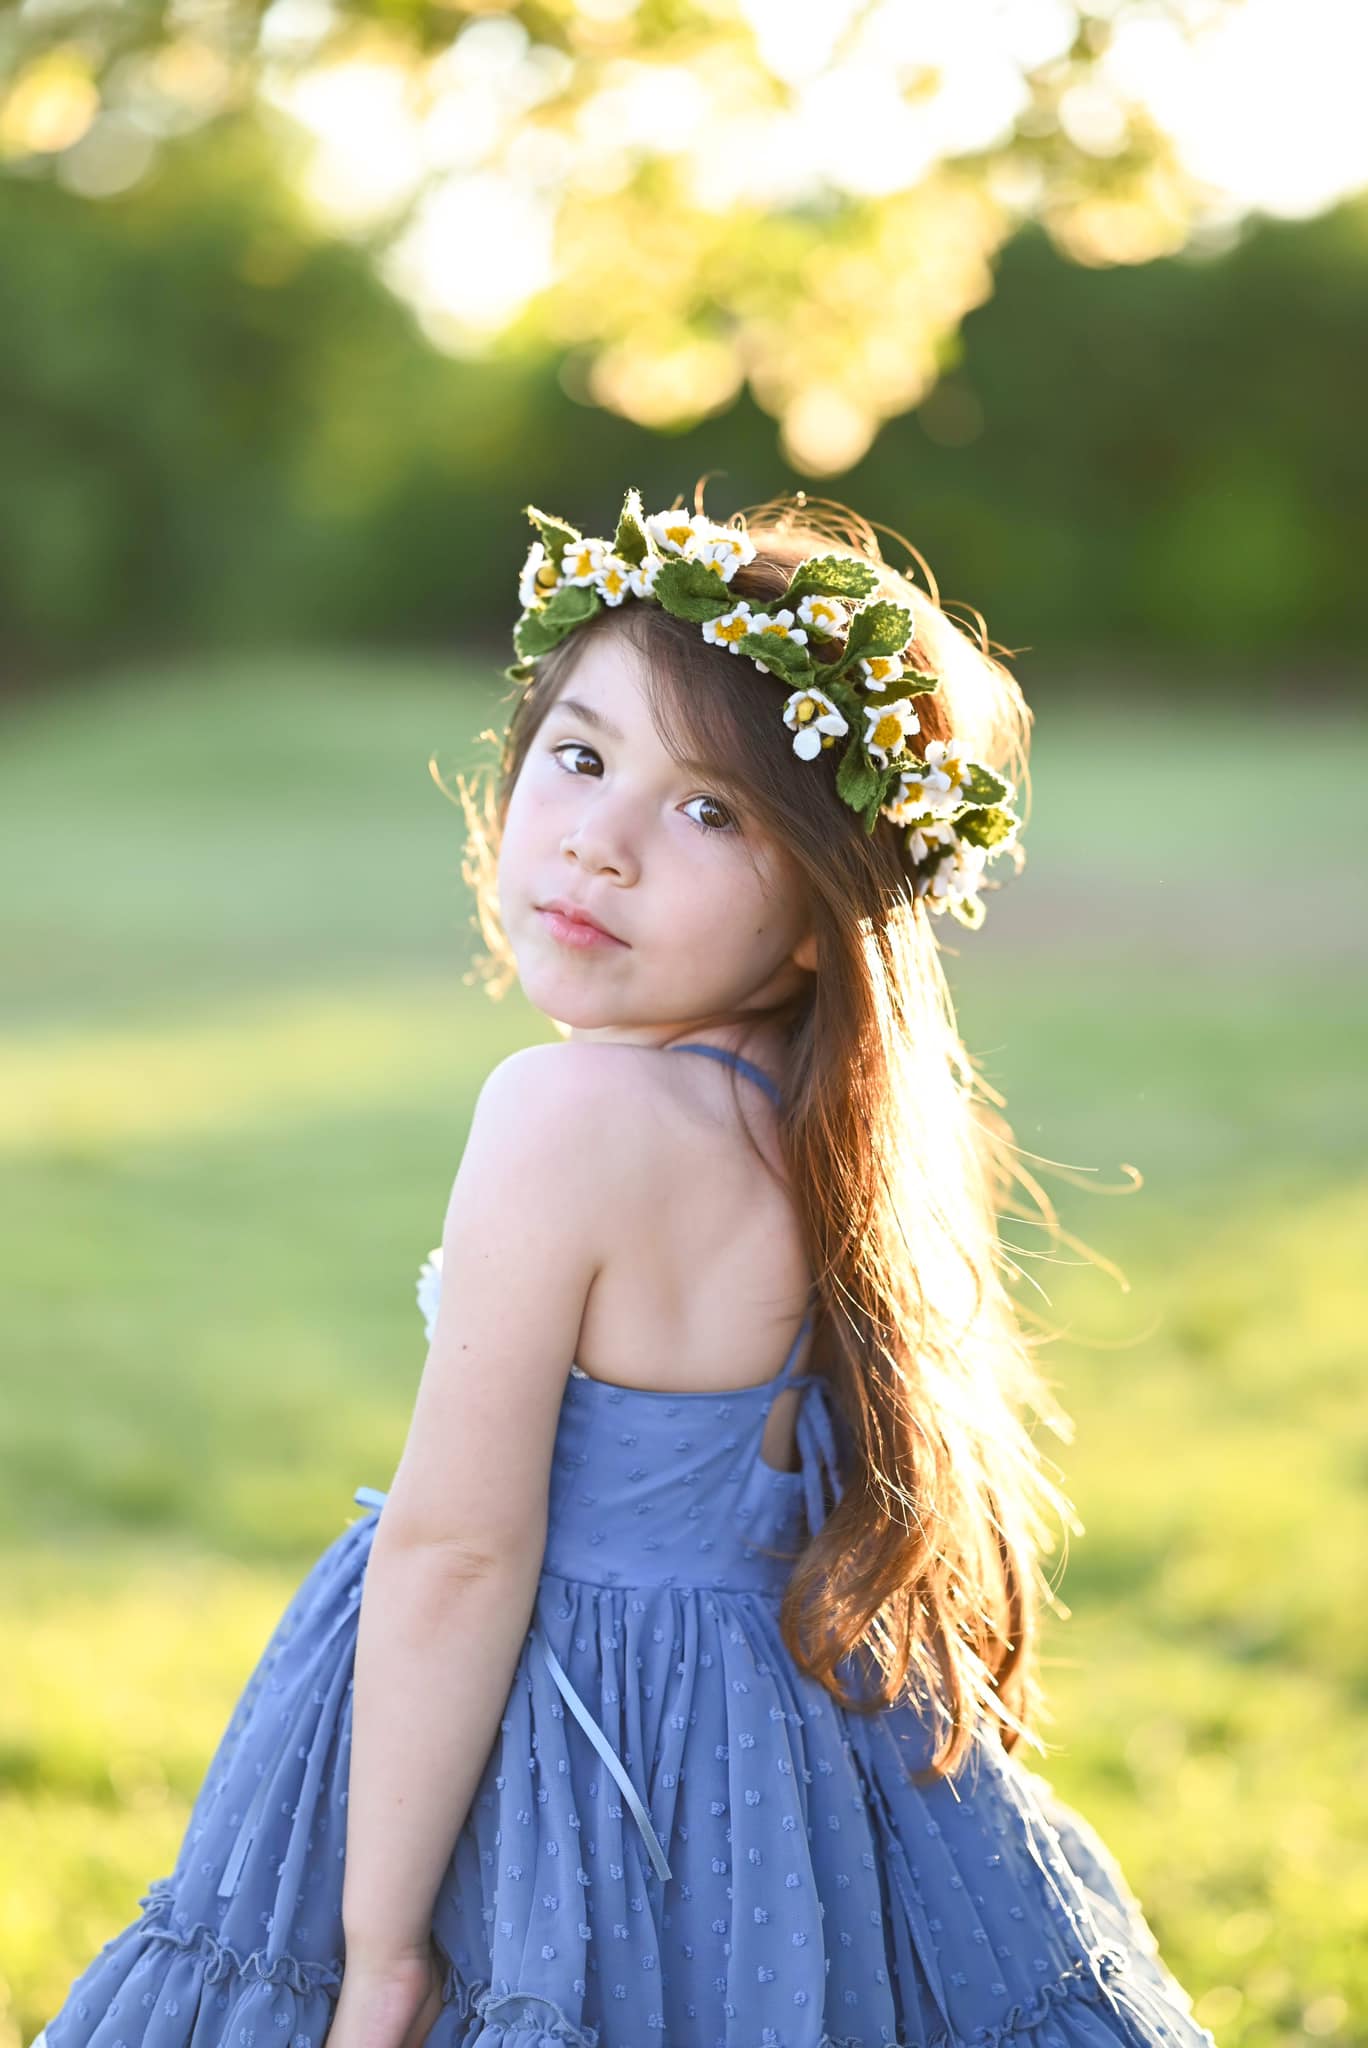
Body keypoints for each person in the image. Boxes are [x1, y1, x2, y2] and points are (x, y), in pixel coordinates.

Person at [32, 485, 1218, 2048]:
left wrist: (381, 1946)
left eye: (709, 809)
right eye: (579, 758)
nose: (599, 837)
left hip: (580, 1753)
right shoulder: (826, 1130)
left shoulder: (567, 1110)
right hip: (785, 1752)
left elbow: (459, 1550)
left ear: (821, 906)